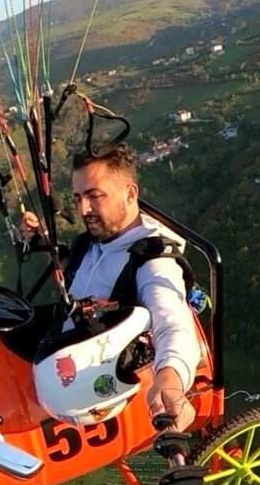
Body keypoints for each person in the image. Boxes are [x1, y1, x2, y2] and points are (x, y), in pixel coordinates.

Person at [20, 143, 200, 433]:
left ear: (130, 194)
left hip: (86, 388)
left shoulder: (152, 262)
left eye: (94, 196)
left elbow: (173, 324)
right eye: (78, 197)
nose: (83, 209)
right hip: (57, 354)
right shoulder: (96, 240)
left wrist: (169, 380)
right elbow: (88, 269)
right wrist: (44, 241)